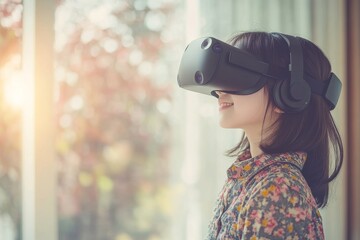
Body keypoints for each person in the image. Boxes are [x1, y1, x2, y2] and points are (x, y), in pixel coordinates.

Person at [204, 32, 343, 239]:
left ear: (288, 94)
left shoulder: (277, 190)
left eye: (238, 75)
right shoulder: (248, 177)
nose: (219, 90)